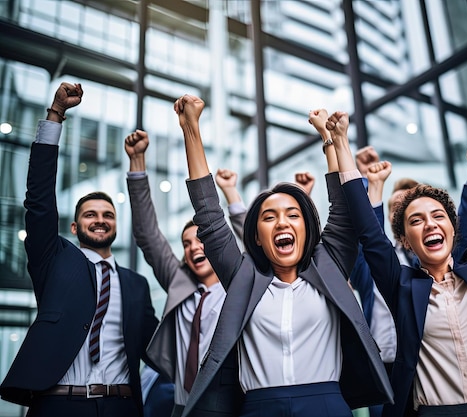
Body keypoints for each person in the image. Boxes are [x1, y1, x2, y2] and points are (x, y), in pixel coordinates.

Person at [337, 66, 467, 416]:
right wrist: (342, 143)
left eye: (438, 216)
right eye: (415, 221)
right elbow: (368, 231)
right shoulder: (400, 285)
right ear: (404, 239)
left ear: (453, 228)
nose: (429, 225)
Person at [175, 98, 392, 417]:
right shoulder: (242, 277)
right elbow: (208, 216)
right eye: (269, 217)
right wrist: (191, 127)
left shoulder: (328, 265)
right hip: (259, 409)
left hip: (327, 405)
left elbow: (344, 211)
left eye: (293, 214)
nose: (282, 223)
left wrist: (328, 140)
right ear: (257, 238)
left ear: (307, 229)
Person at [0, 82, 159, 417]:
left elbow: (160, 349)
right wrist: (56, 115)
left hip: (122, 406)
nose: (100, 221)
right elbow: (39, 200)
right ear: (74, 228)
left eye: (108, 215)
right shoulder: (54, 259)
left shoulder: (136, 285)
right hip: (59, 405)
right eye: (90, 215)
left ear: (115, 225)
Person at [349, 144, 467, 417]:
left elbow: (463, 227)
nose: (399, 212)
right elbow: (368, 234)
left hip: (432, 365)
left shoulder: (436, 259)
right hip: (384, 369)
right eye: (395, 208)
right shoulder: (372, 264)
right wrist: (368, 181)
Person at [124, 130, 246, 417]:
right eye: (187, 244)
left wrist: (231, 195)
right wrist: (137, 162)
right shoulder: (180, 282)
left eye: (201, 240)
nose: (194, 248)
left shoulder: (240, 284)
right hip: (182, 407)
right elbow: (148, 235)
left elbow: (257, 249)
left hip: (229, 406)